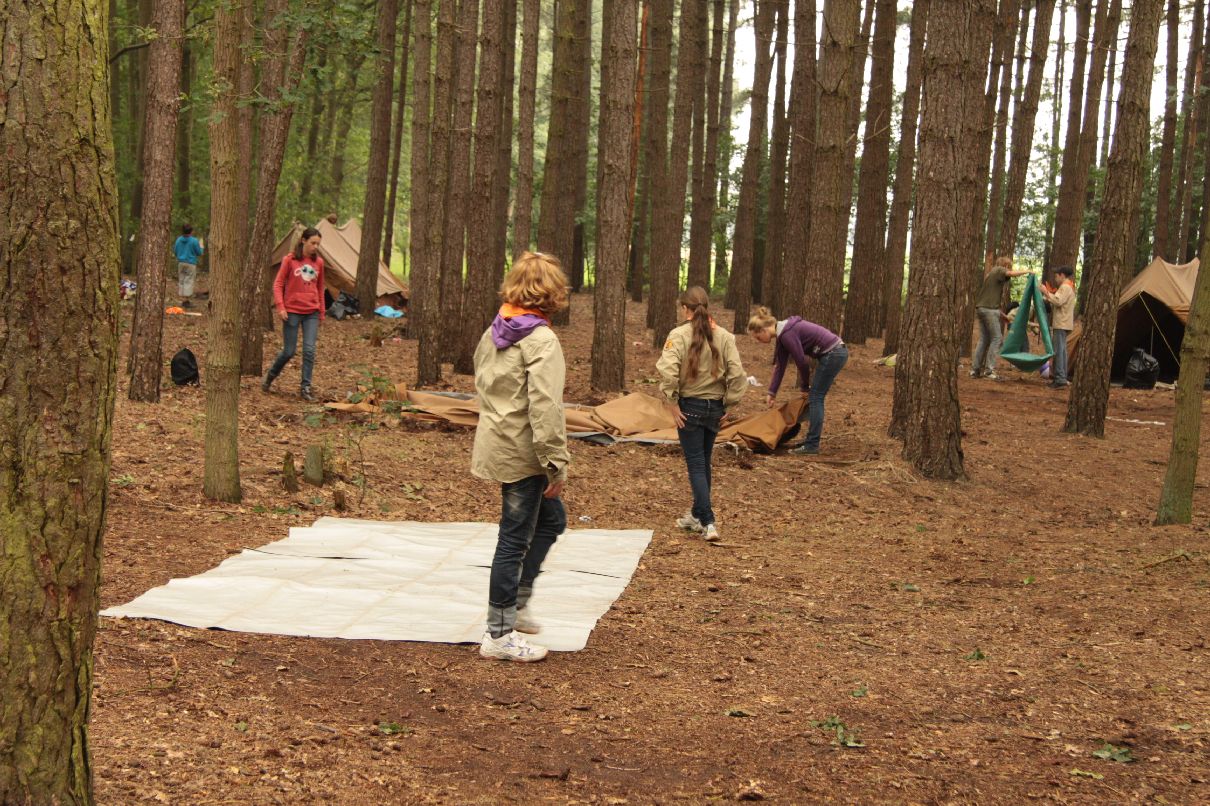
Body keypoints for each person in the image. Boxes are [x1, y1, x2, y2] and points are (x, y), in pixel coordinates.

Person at [472, 252, 571, 663]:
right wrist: (555, 462)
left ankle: (516, 603)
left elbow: (483, 383)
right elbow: (546, 406)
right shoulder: (541, 340)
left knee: (552, 520)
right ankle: (499, 632)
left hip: (500, 441)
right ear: (552, 293)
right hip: (524, 450)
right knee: (513, 539)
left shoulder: (495, 329)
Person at [656, 287, 747, 542]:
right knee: (704, 462)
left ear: (685, 309)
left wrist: (672, 401)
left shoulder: (678, 335)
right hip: (714, 408)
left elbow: (668, 370)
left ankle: (708, 521)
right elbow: (737, 374)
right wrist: (729, 403)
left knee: (697, 463)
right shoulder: (724, 336)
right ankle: (697, 514)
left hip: (690, 408)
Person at [747, 306, 848, 456]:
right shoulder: (783, 335)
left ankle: (812, 445)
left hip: (834, 353)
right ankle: (810, 441)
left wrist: (804, 387)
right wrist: (772, 392)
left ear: (763, 330)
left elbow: (802, 362)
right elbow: (780, 366)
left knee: (815, 397)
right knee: (815, 397)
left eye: (757, 337)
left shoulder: (787, 334)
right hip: (834, 353)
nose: (759, 341)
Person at [262, 227, 325, 402]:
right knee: (289, 351)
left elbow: (320, 288)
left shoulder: (319, 263)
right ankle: (270, 377)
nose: (315, 247)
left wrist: (321, 312)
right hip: (292, 311)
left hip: (312, 312)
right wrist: (281, 307)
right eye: (313, 243)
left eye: (318, 244)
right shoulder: (289, 260)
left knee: (309, 350)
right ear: (303, 241)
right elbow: (278, 284)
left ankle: (305, 387)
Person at [972, 256, 1031, 379]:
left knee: (984, 339)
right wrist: (1027, 271)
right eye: (1009, 267)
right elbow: (1010, 273)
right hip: (989, 311)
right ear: (1005, 265)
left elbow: (989, 298)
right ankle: (989, 370)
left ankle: (975, 369)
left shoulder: (990, 275)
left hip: (982, 309)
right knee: (997, 338)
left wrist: (1002, 315)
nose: (1010, 270)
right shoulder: (999, 269)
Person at [1042, 265, 1076, 388]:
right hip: (1064, 323)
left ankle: (1060, 379)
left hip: (1061, 323)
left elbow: (1058, 301)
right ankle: (1061, 377)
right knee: (1061, 351)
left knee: (1058, 352)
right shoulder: (1068, 286)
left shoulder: (1065, 287)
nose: (1055, 279)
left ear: (1062, 275)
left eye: (1056, 276)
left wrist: (1045, 292)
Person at [172, 224, 204, 307]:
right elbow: (199, 253)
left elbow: (175, 251)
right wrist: (201, 247)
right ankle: (186, 301)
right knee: (188, 281)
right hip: (190, 263)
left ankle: (183, 300)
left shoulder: (178, 240)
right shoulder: (194, 241)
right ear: (191, 231)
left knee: (182, 280)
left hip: (181, 263)